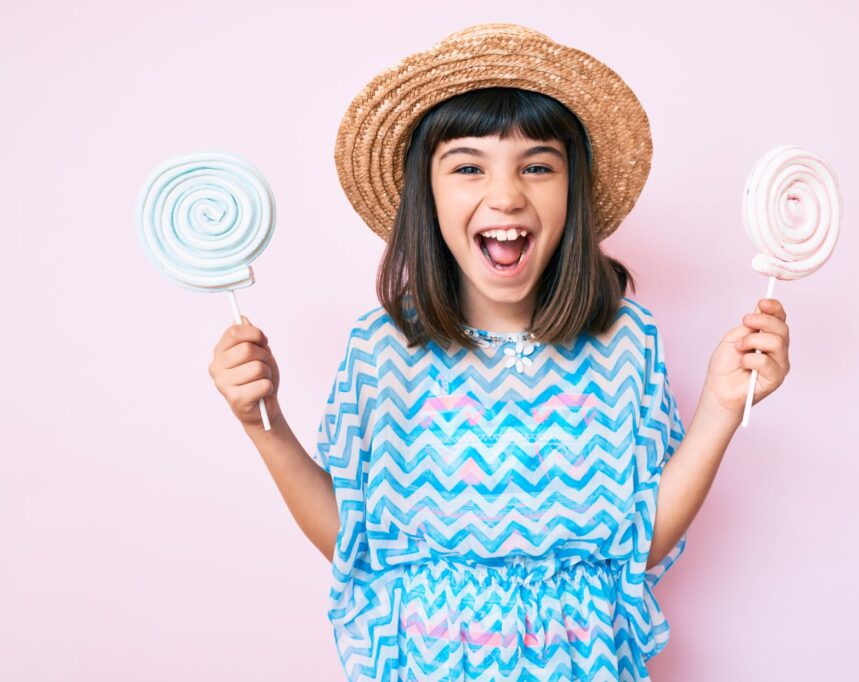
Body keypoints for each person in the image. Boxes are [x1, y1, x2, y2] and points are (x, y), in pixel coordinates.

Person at [208, 23, 791, 682]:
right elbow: (353, 543)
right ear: (426, 194)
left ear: (573, 190)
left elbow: (642, 545)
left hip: (583, 662)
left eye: (538, 165)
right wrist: (265, 423)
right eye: (467, 166)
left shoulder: (625, 342)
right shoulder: (384, 349)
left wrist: (719, 407)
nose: (508, 194)